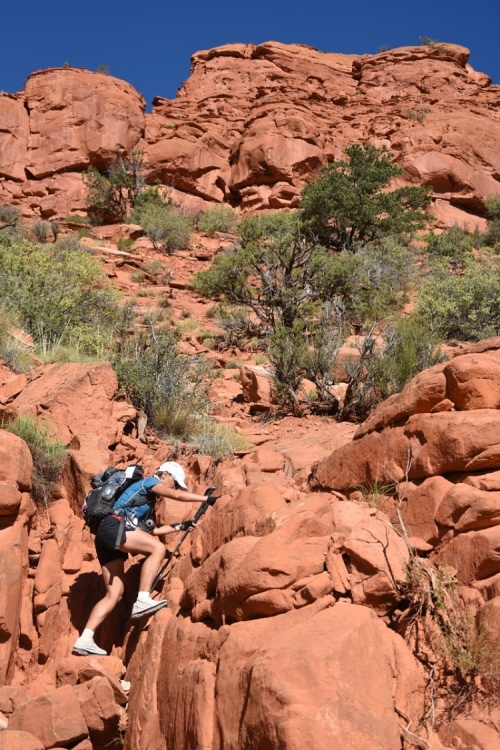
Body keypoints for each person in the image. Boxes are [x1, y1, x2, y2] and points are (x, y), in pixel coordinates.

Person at [72, 461, 208, 656]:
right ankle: (143, 599)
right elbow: (177, 496)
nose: (175, 488)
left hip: (105, 534)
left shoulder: (146, 502)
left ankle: (85, 638)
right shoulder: (148, 482)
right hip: (113, 526)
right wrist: (206, 499)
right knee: (158, 548)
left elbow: (151, 530)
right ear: (165, 474)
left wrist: (180, 526)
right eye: (175, 482)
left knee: (114, 594)